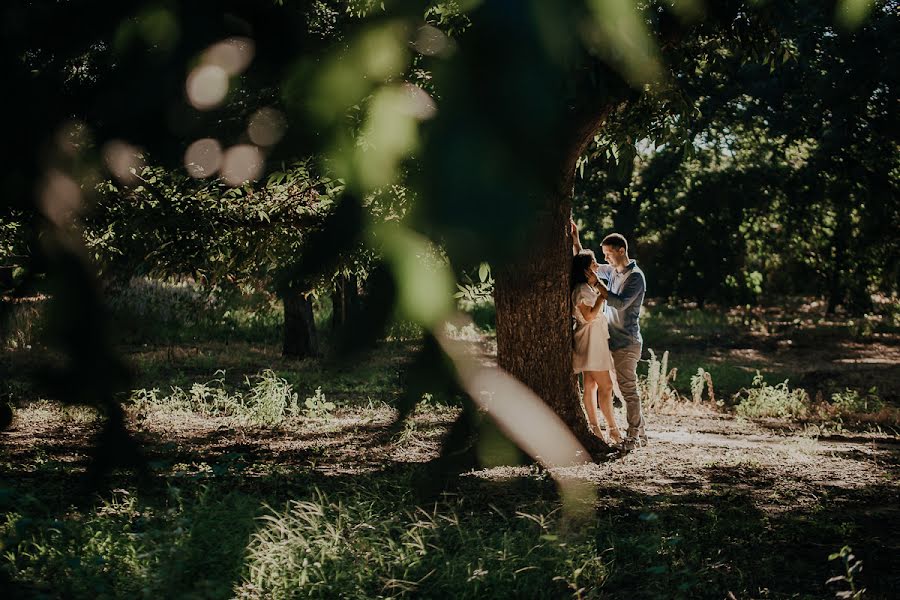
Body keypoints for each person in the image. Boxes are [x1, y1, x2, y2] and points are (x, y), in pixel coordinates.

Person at [572, 220, 647, 447]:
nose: (605, 259)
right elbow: (586, 265)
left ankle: (633, 436)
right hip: (609, 341)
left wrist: (598, 286)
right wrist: (576, 240)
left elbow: (619, 303)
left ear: (621, 251)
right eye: (602, 254)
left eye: (608, 253)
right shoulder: (613, 270)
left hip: (626, 342)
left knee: (627, 391)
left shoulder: (635, 277)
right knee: (619, 390)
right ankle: (639, 433)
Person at [571, 250, 623, 445]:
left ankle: (597, 430)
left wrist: (576, 240)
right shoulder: (582, 290)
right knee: (606, 385)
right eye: (593, 262)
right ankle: (611, 429)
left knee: (591, 386)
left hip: (594, 339)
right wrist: (602, 296)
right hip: (590, 340)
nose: (596, 265)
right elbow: (589, 316)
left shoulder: (585, 287)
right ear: (585, 269)